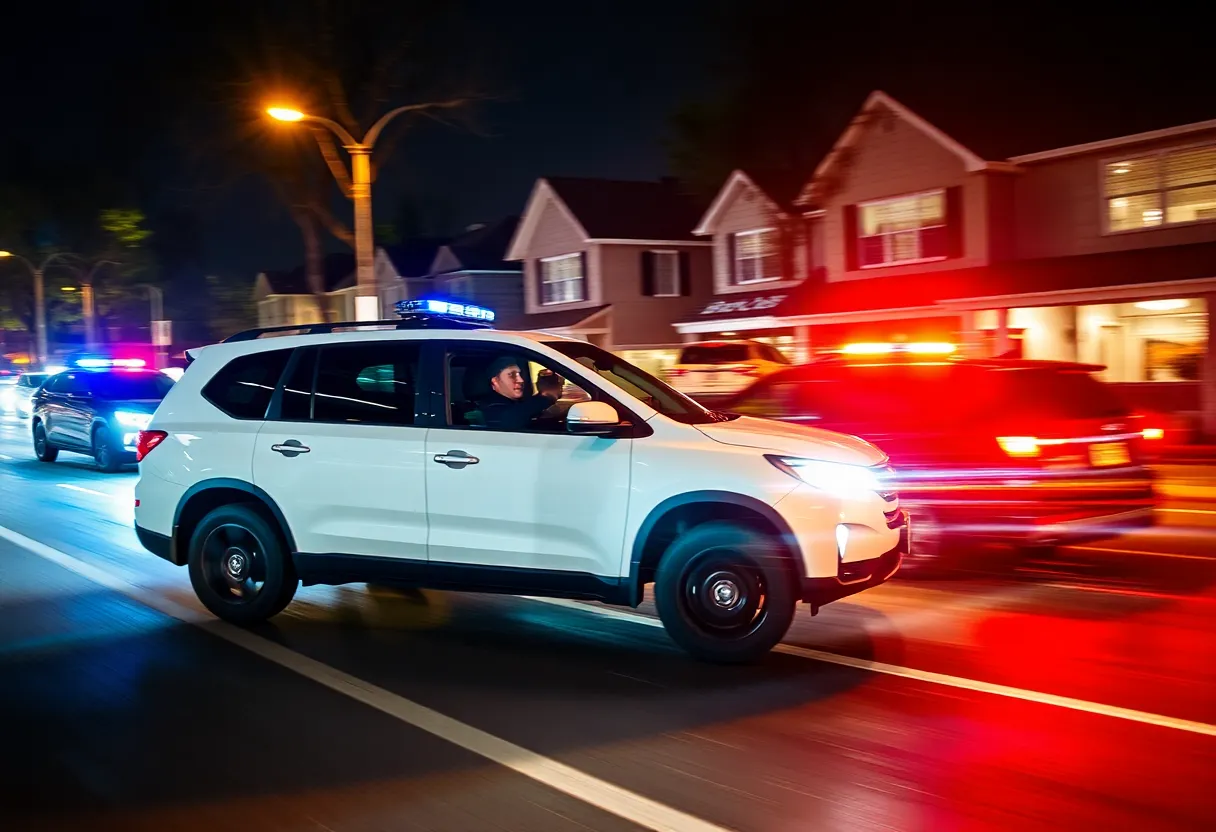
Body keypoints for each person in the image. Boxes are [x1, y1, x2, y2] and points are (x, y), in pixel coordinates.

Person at [476, 355, 565, 429]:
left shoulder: (513, 404)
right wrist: (548, 395)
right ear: (495, 381)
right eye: (511, 375)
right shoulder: (490, 407)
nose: (521, 380)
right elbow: (509, 419)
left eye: (520, 374)